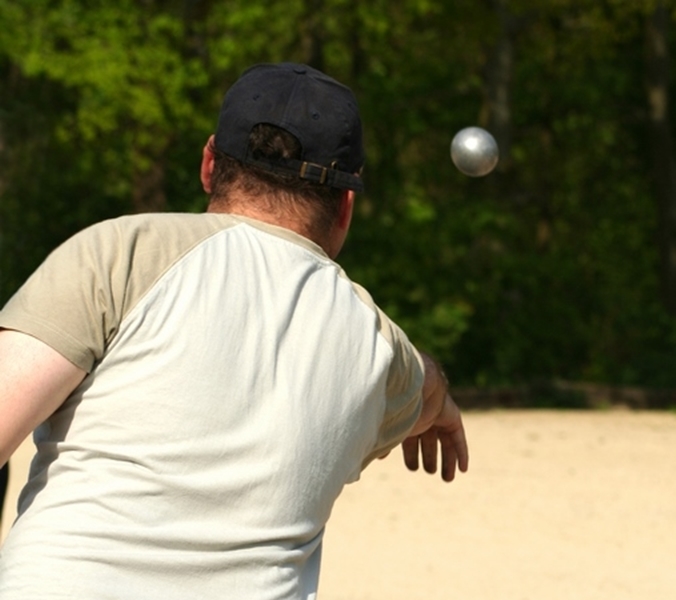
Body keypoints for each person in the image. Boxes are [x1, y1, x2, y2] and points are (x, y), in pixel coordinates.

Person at [0, 62, 468, 599]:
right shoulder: (380, 348)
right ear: (345, 207)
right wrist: (442, 403)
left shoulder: (121, 254)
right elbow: (425, 384)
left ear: (208, 164)